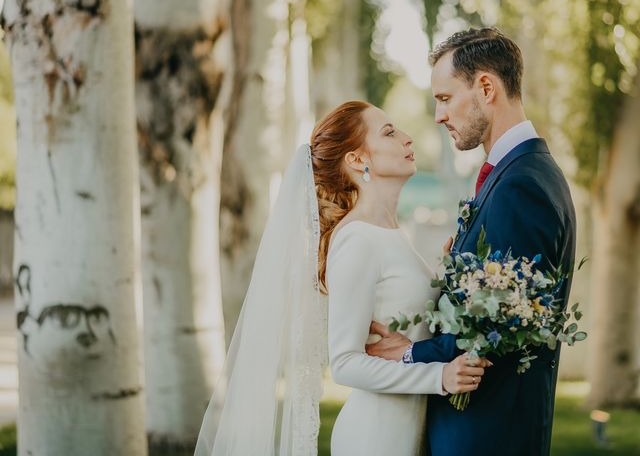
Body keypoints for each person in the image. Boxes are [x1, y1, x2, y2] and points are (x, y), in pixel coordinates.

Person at [194, 100, 488, 456]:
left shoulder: (389, 232)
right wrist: (439, 377)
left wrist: (449, 275)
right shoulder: (357, 239)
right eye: (390, 132)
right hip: (377, 438)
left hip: (412, 428)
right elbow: (346, 363)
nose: (407, 139)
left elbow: (409, 322)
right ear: (357, 159)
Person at [366, 27, 577, 456]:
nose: (439, 115)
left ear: (485, 87)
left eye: (444, 98)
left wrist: (408, 354)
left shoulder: (522, 185)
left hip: (489, 435)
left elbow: (499, 327)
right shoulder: (515, 174)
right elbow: (496, 302)